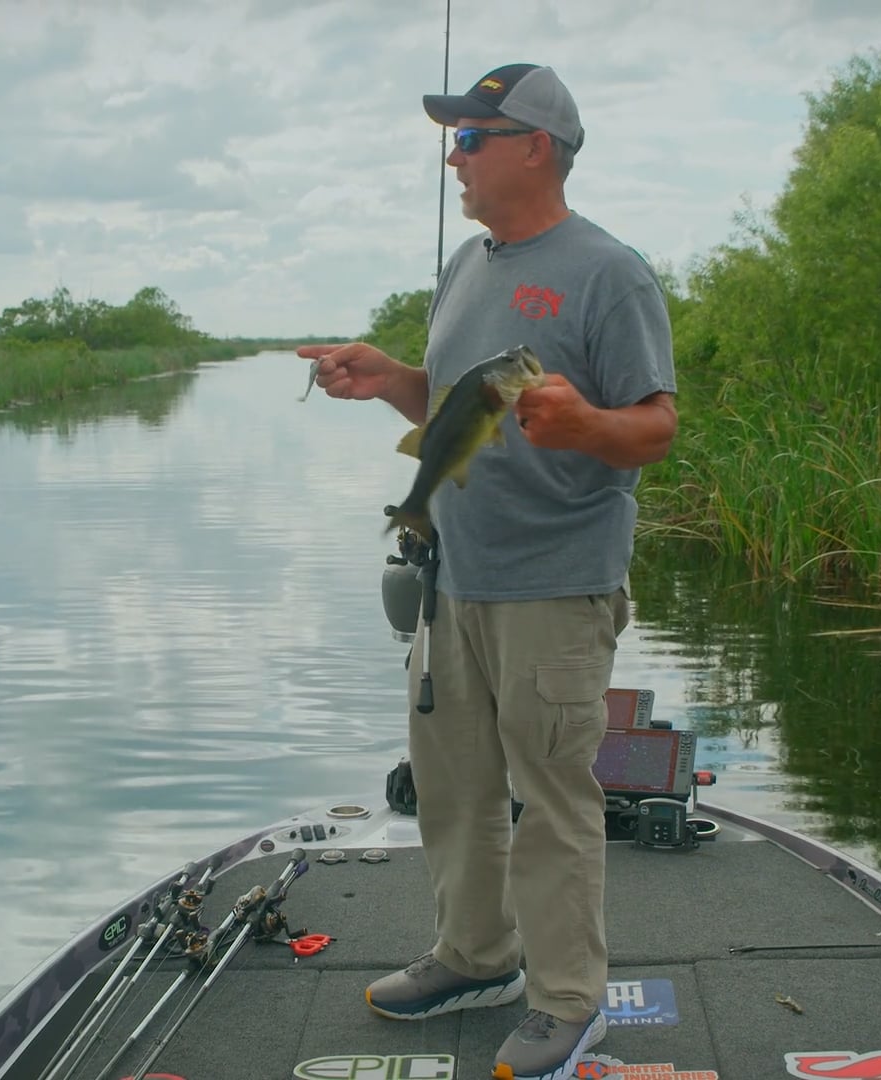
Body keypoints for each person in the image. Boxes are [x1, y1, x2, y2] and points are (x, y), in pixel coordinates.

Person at [299, 61, 677, 1080]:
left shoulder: (610, 272)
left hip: (555, 587)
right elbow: (454, 408)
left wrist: (590, 423)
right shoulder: (467, 265)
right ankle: (475, 957)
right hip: (454, 579)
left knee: (553, 800)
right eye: (454, 137)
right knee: (454, 785)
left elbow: (655, 425)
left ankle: (566, 1001)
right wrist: (390, 381)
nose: (452, 155)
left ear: (535, 147)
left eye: (471, 136)